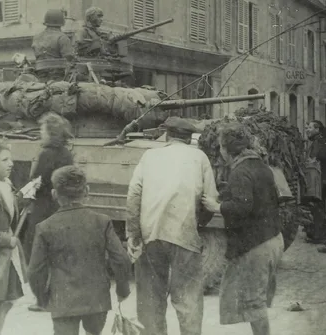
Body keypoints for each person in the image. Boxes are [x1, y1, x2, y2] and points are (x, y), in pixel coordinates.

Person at [126, 116, 219, 335]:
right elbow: (210, 199)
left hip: (151, 235)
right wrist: (198, 224)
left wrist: (133, 233)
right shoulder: (199, 157)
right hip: (185, 235)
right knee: (188, 300)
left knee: (149, 300)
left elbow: (133, 195)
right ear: (189, 138)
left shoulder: (149, 155)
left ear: (167, 135)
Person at [28, 165, 131, 335]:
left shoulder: (45, 227)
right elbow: (121, 259)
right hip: (96, 301)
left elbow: (34, 271)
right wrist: (122, 290)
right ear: (87, 191)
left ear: (54, 194)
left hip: (63, 301)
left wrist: (42, 298)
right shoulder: (102, 221)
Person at [202, 124, 284, 335]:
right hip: (272, 239)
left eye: (220, 146)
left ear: (227, 148)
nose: (219, 151)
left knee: (253, 303)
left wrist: (217, 206)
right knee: (256, 299)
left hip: (256, 246)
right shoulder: (260, 165)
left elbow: (242, 206)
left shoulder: (240, 171)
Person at [23, 112, 74, 312]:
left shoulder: (45, 154)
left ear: (51, 133)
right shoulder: (67, 153)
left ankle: (42, 300)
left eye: (42, 130)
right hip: (60, 208)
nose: (40, 135)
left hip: (42, 209)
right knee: (58, 256)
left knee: (36, 255)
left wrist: (23, 197)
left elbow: (35, 181)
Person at [0, 139, 39, 335]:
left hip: (5, 254)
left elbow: (10, 208)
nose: (11, 164)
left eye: (11, 159)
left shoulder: (6, 184)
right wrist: (4, 240)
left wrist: (26, 195)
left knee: (8, 299)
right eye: (5, 160)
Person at [32, 9, 76, 81]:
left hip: (40, 77)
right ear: (61, 21)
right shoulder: (62, 37)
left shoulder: (36, 37)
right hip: (58, 78)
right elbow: (69, 58)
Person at [304, 120, 326, 247]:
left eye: (309, 127)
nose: (307, 129)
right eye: (306, 127)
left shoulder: (319, 142)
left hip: (321, 179)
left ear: (317, 129)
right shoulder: (318, 141)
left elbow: (317, 157)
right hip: (320, 178)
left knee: (319, 206)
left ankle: (319, 236)